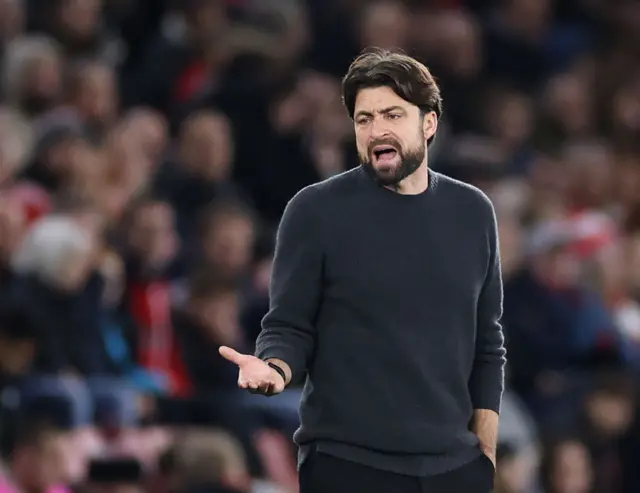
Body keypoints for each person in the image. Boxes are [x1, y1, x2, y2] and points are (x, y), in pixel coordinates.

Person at [219, 49, 506, 492]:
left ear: (428, 123)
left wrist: (483, 457)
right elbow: (289, 325)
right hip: (348, 464)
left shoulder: (472, 212)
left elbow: (487, 345)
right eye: (364, 119)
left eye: (392, 115)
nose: (377, 131)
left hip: (455, 468)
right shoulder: (314, 211)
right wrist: (275, 369)